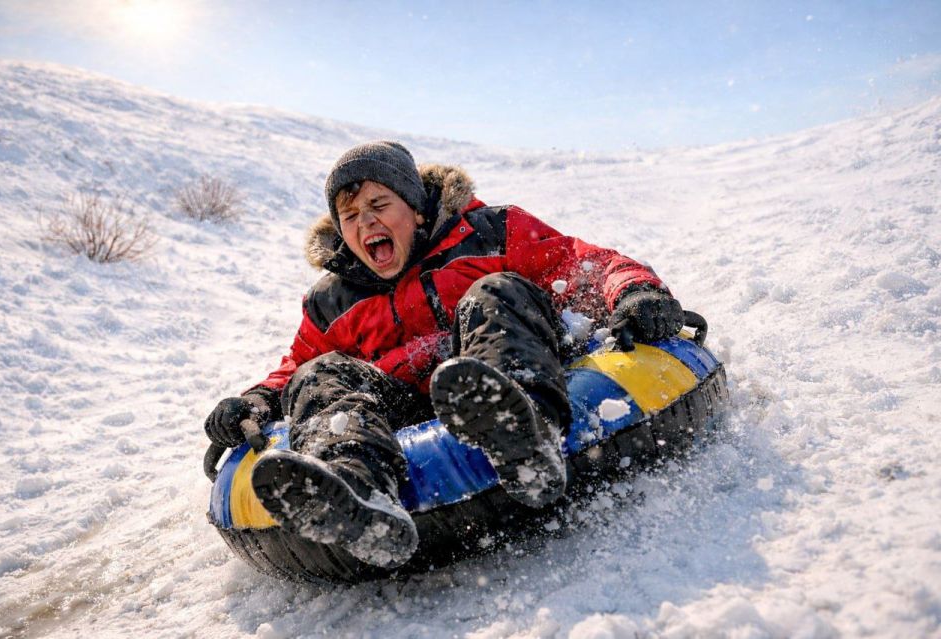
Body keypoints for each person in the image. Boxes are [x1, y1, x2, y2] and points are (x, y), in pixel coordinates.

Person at [203, 141, 684, 569]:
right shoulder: (332, 300)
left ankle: (526, 438)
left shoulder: (491, 232)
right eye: (350, 216)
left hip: (507, 370)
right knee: (320, 371)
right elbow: (295, 365)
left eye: (378, 204)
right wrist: (256, 401)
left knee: (494, 293)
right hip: (409, 405)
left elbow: (580, 263)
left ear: (413, 208)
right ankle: (359, 491)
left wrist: (635, 291)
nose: (365, 221)